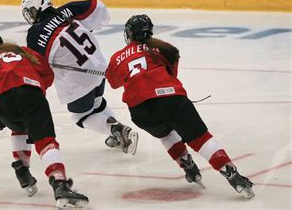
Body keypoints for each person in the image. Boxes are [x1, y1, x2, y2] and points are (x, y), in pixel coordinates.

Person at [105, 14, 255, 199]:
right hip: (171, 98)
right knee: (201, 139)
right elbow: (171, 75)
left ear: (129, 34)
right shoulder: (165, 49)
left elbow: (113, 83)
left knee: (166, 133)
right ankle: (232, 174)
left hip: (140, 110)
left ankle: (188, 166)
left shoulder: (117, 57)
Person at [0, 31, 89, 209]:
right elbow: (46, 72)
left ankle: (22, 171)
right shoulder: (20, 51)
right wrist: (36, 89)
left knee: (19, 127)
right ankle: (60, 185)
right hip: (28, 92)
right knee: (45, 140)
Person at [21, 0, 138, 155]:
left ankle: (117, 129)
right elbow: (99, 7)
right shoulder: (68, 11)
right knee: (96, 104)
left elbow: (38, 68)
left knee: (81, 117)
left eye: (30, 11)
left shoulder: (34, 33)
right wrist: (86, 29)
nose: (30, 15)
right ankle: (120, 135)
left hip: (78, 81)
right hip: (99, 68)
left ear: (36, 8)